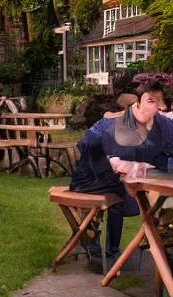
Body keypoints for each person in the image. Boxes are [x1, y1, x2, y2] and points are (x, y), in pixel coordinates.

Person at [70, 81, 173, 261]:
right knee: (123, 194)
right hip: (88, 181)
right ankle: (110, 246)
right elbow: (88, 149)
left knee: (132, 193)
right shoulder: (110, 126)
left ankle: (115, 247)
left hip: (107, 178)